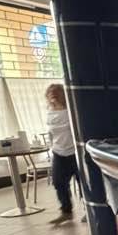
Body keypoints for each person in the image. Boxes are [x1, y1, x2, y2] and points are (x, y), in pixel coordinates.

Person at [45, 83, 79, 224]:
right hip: (59, 152)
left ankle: (89, 210)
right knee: (58, 182)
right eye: (50, 92)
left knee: (83, 183)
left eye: (56, 92)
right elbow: (51, 133)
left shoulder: (71, 111)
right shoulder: (50, 113)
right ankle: (66, 212)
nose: (53, 94)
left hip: (75, 152)